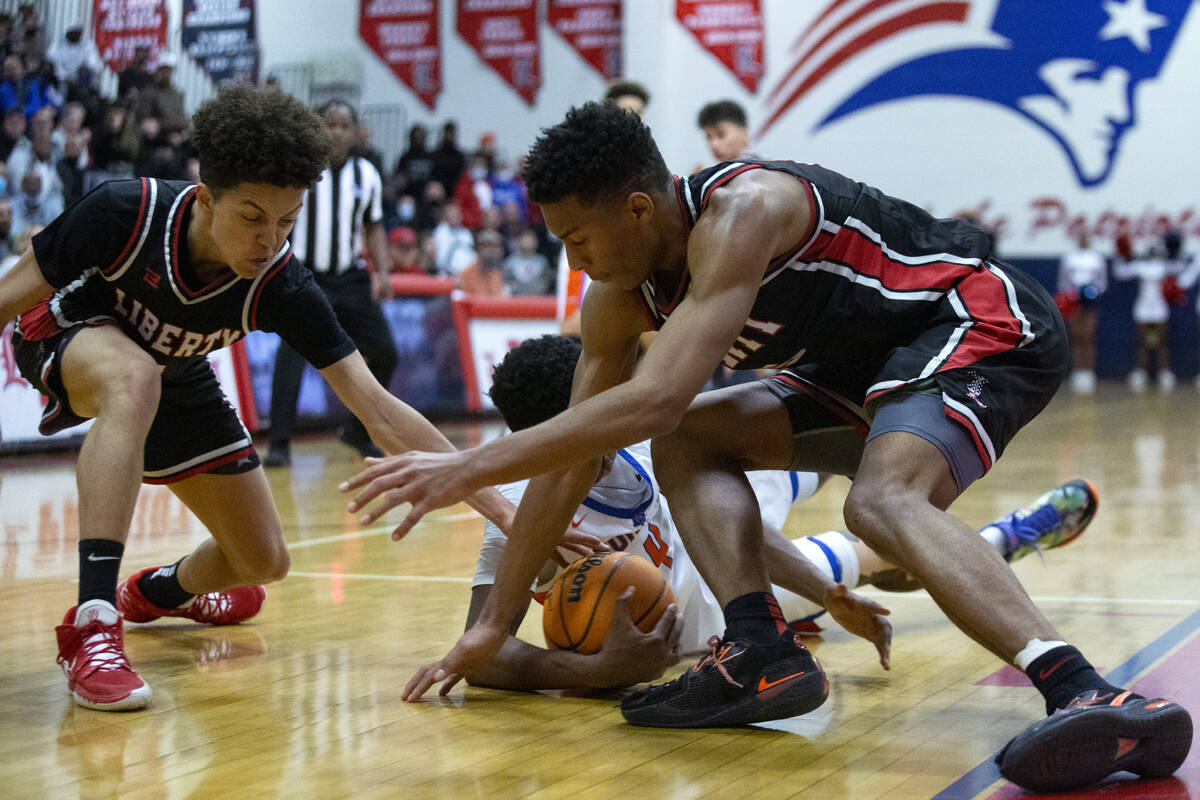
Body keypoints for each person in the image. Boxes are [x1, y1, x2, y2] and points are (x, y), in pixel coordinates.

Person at [342, 103, 1191, 793]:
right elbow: (579, 454)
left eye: (577, 237)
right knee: (691, 437)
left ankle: (1083, 687)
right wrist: (492, 627)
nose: (576, 260)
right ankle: (759, 649)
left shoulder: (745, 209)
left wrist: (465, 464)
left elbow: (657, 391)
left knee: (879, 503)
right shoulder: (617, 294)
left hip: (972, 317)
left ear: (637, 207)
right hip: (860, 370)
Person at [0, 84, 513, 712]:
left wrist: (505, 514)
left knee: (261, 561)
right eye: (252, 217)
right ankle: (93, 624)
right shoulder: (122, 213)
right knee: (133, 377)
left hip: (171, 371)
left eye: (286, 221)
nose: (269, 240)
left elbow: (375, 407)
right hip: (62, 332)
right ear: (207, 197)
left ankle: (158, 592)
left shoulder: (282, 284)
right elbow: (8, 296)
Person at [461, 334, 1098, 693]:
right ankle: (1002, 537)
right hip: (713, 612)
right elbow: (480, 652)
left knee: (840, 461)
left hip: (724, 521)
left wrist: (823, 592)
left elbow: (730, 529)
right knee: (887, 562)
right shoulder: (519, 513)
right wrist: (590, 670)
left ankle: (902, 471)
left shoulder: (640, 443)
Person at [264, 100, 398, 468]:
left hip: (351, 278)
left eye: (343, 125)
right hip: (305, 275)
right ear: (317, 128)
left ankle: (356, 430)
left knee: (386, 352)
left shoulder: (367, 174)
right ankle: (279, 444)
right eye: (330, 123)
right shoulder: (300, 170)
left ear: (355, 132)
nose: (336, 131)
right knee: (290, 355)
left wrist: (383, 273)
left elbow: (373, 227)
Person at [1114, 242, 1174, 392]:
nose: (1152, 250)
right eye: (1150, 247)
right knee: (1141, 342)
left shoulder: (1163, 266)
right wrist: (1120, 255)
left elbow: (1179, 270)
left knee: (1162, 342)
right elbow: (1120, 272)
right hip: (1143, 308)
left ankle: (1164, 372)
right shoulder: (1140, 266)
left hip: (1159, 307)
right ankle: (1141, 372)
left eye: (1155, 248)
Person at [1056, 233, 1107, 392]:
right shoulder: (1069, 258)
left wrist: (1094, 291)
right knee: (1076, 335)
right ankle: (1078, 372)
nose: (1084, 239)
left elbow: (1102, 281)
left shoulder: (1097, 258)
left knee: (1088, 335)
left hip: (1090, 299)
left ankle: (1089, 372)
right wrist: (1069, 294)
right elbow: (1062, 280)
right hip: (1073, 298)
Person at [696, 99, 754, 164]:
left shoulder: (759, 171)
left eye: (721, 135)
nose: (714, 144)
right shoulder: (715, 172)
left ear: (744, 134)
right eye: (708, 138)